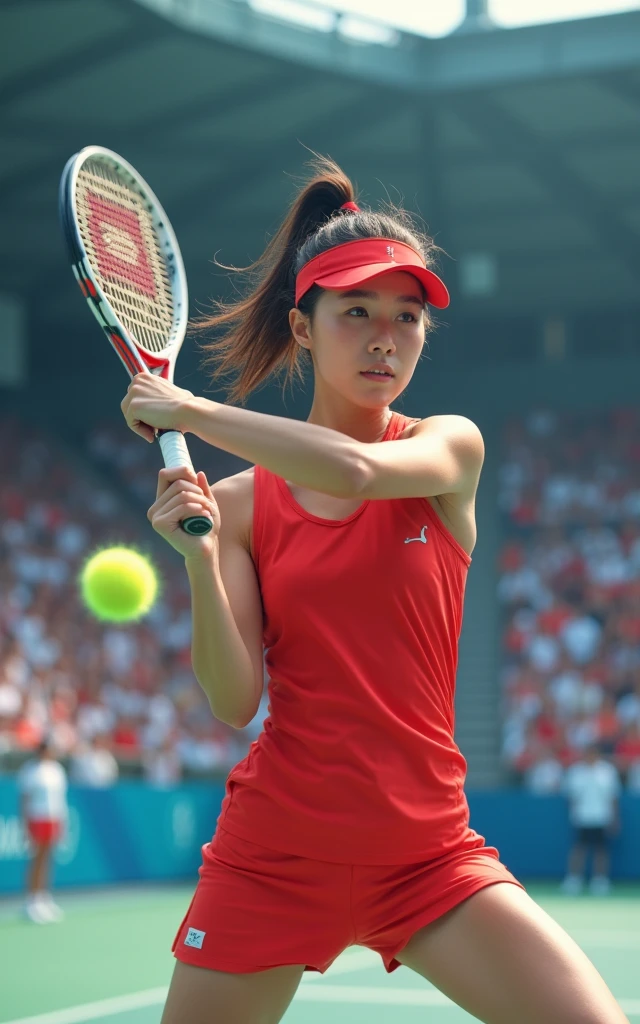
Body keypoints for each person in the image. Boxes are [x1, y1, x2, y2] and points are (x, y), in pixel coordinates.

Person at [121, 157, 628, 1024]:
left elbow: (356, 471)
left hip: (426, 853)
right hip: (274, 852)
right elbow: (233, 695)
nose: (385, 338)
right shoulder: (238, 506)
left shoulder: (447, 449)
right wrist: (200, 560)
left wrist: (191, 412)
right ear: (305, 328)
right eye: (355, 313)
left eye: (407, 316)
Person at [17, 736, 68, 923]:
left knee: (48, 858)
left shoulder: (57, 770)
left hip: (53, 819)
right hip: (36, 818)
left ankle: (44, 897)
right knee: (36, 859)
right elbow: (24, 799)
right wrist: (25, 824)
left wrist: (63, 823)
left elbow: (60, 800)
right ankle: (32, 900)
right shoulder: (30, 770)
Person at [561, 743, 621, 896]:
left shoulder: (607, 771)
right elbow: (571, 797)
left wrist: (615, 818)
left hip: (602, 817)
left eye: (593, 753)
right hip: (582, 817)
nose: (590, 756)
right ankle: (574, 880)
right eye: (588, 753)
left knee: (601, 850)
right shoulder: (575, 772)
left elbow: (613, 797)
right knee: (579, 849)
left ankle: (600, 880)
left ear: (598, 754)